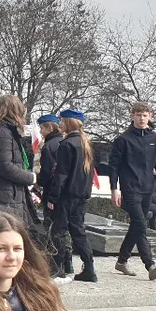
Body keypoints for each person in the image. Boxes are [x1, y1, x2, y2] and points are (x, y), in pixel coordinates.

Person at [109, 101, 156, 280]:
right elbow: (114, 167)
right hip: (130, 189)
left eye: (145, 115)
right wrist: (114, 189)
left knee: (136, 226)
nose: (142, 118)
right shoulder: (123, 140)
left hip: (148, 189)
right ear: (132, 116)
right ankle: (150, 264)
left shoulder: (155, 138)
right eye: (138, 115)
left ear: (150, 116)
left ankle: (121, 261)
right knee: (141, 224)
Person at [46, 109, 97, 284]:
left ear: (69, 123)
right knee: (78, 231)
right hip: (82, 195)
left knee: (59, 231)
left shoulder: (67, 145)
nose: (60, 124)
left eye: (62, 121)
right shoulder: (86, 144)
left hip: (66, 195)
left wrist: (52, 197)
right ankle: (89, 267)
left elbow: (61, 174)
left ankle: (58, 269)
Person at [0, 95, 36, 224]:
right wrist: (31, 178)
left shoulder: (2, 130)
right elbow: (4, 166)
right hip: (6, 198)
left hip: (5, 195)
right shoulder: (2, 132)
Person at [34, 114, 66, 275]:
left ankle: (54, 265)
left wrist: (38, 184)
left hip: (51, 192)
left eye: (42, 128)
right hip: (65, 193)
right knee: (63, 229)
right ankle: (67, 263)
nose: (40, 132)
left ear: (49, 128)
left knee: (51, 229)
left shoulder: (49, 146)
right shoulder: (65, 143)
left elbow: (46, 173)